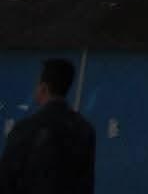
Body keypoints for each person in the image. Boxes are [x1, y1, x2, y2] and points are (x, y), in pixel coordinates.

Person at [0, 57, 95, 193]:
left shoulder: (26, 128)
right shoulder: (84, 130)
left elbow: (7, 179)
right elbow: (86, 183)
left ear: (44, 88)